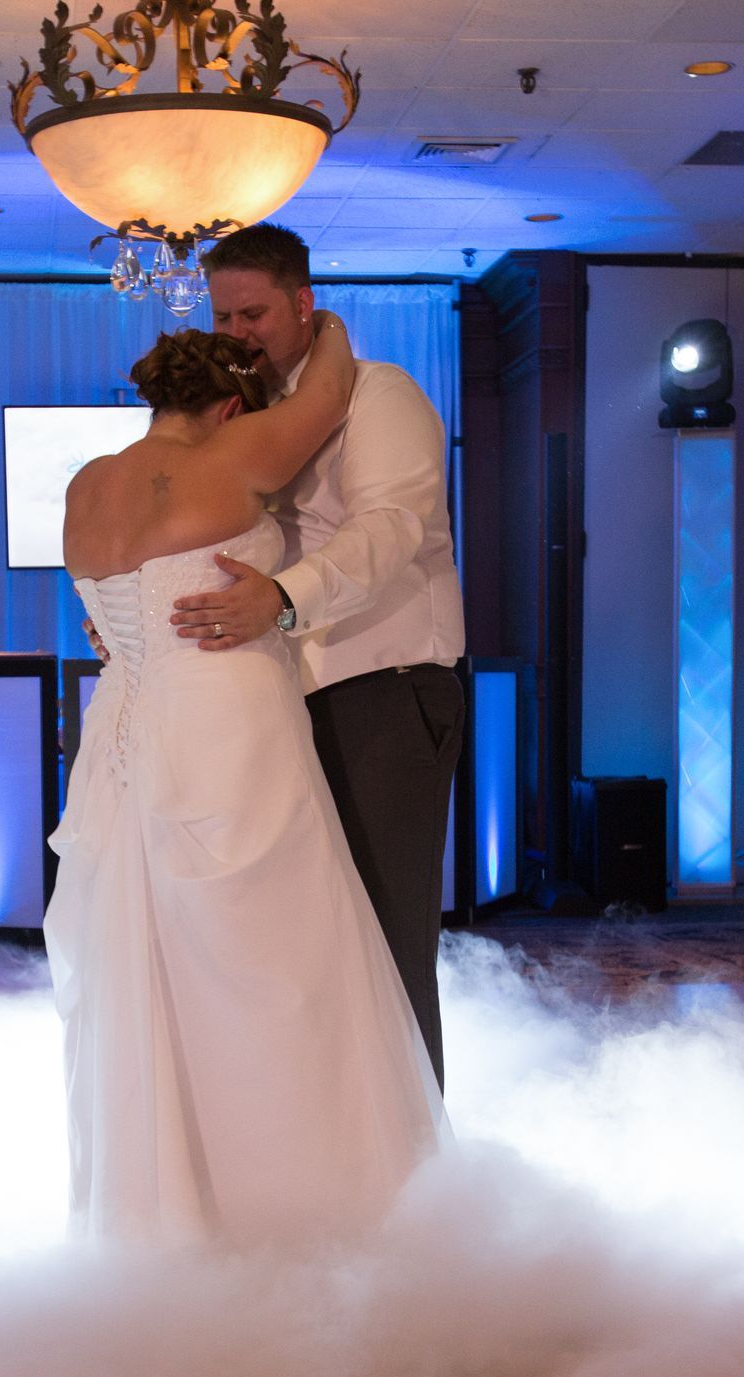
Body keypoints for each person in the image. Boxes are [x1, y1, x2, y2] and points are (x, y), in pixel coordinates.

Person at [45, 321, 448, 1244]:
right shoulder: (234, 453)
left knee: (149, 963)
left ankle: (175, 1206)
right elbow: (327, 391)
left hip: (122, 727)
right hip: (225, 718)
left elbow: (115, 607)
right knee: (280, 964)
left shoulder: (84, 484)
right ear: (229, 405)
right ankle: (305, 1201)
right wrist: (320, 323)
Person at [170, 223, 466, 1089]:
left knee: (385, 940)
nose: (237, 333)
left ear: (305, 304)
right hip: (283, 706)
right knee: (304, 945)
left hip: (384, 690)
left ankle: (418, 1181)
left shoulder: (381, 393)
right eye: (224, 315)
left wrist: (284, 596)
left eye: (254, 312)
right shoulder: (249, 422)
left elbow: (391, 530)